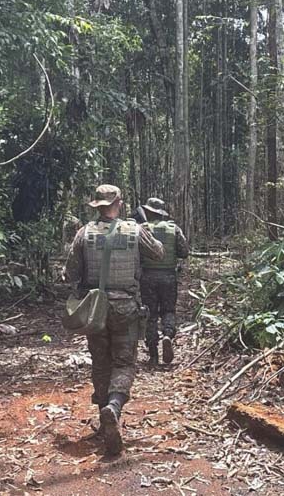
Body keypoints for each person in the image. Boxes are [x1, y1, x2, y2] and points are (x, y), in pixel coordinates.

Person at [62, 185, 164, 455]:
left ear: (96, 205)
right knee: (124, 361)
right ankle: (114, 408)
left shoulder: (83, 233)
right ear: (119, 202)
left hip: (96, 308)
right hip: (126, 306)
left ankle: (103, 417)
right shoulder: (134, 230)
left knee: (101, 361)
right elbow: (159, 253)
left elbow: (70, 273)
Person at [139, 198, 190, 365]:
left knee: (150, 314)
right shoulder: (173, 228)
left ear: (149, 212)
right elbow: (184, 252)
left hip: (148, 277)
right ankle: (167, 335)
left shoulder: (142, 229)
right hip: (168, 276)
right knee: (168, 310)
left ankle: (153, 354)